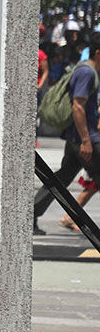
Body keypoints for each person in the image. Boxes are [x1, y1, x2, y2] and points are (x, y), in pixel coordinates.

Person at [35, 37, 100, 234]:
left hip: (77, 139)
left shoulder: (87, 71)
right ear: (98, 53)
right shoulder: (87, 72)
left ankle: (30, 214)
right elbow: (78, 106)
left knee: (60, 180)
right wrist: (86, 141)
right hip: (84, 139)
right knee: (62, 179)